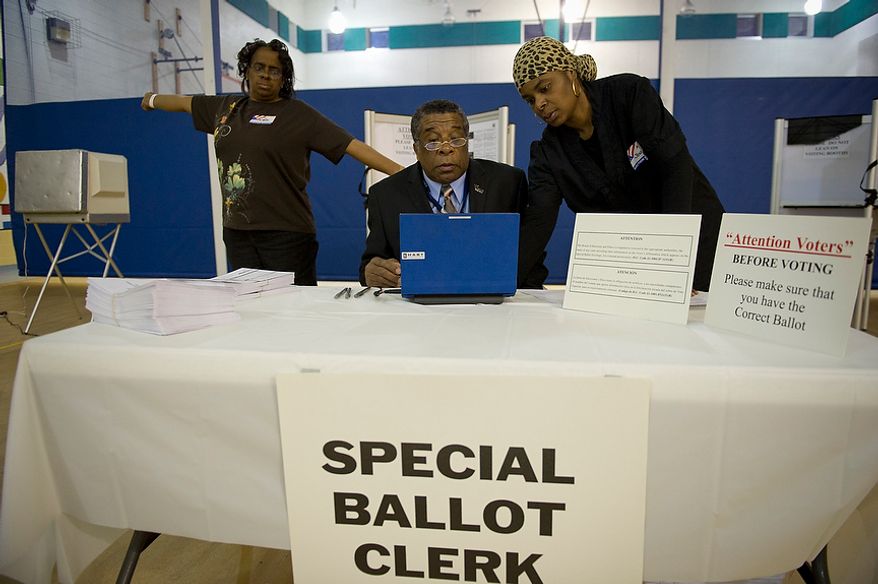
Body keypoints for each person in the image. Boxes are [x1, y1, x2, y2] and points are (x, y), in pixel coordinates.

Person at [141, 38, 403, 285]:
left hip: (287, 235)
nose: (266, 74)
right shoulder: (226, 108)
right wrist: (152, 100)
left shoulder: (298, 115)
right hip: (237, 232)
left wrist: (401, 173)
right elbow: (184, 103)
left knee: (292, 314)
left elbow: (351, 145)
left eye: (275, 71)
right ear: (247, 71)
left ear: (283, 78)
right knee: (250, 309)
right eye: (259, 67)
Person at [512, 36, 724, 291]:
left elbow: (675, 168)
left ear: (570, 74)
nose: (539, 104)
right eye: (530, 99)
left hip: (691, 239)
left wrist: (674, 260)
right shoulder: (548, 152)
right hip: (628, 263)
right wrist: (499, 282)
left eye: (544, 88)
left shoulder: (629, 95)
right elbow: (538, 222)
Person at [360, 99, 543, 288]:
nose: (446, 149)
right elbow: (370, 264)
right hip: (419, 308)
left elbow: (530, 257)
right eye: (432, 142)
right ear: (416, 149)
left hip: (493, 303)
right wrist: (372, 272)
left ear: (467, 143)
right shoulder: (385, 196)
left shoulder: (507, 183)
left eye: (456, 139)